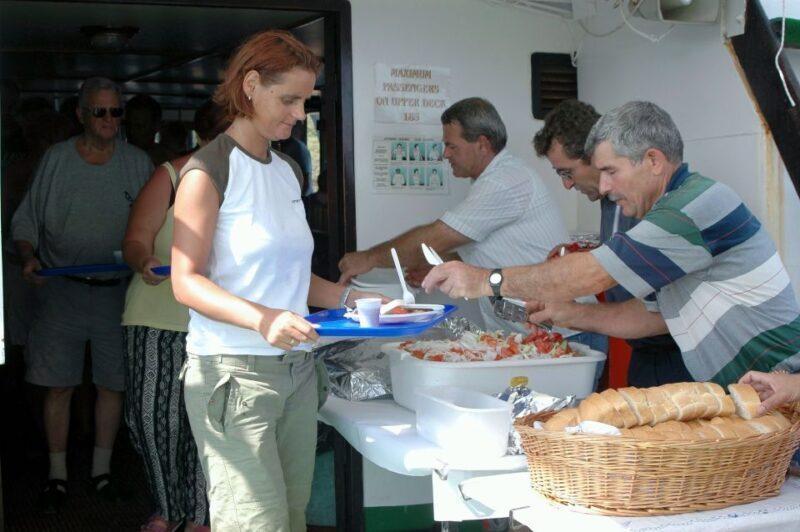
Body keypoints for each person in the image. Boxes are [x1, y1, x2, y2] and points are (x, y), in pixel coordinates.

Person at [422, 101, 800, 385]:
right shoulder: (668, 211)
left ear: (652, 161)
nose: (602, 187)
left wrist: (486, 280)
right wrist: (568, 314)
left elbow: (592, 274)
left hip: (780, 384)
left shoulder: (692, 207)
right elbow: (649, 317)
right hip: (747, 390)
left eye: (610, 172)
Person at [171, 30, 384, 531]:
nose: (298, 113)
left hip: (297, 371)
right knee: (256, 524)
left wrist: (356, 301)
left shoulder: (287, 170)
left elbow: (293, 277)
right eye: (288, 99)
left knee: (290, 517)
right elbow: (185, 281)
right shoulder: (207, 171)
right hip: (233, 376)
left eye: (304, 100)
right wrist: (262, 319)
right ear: (250, 85)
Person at [11, 77, 152, 513]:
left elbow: (161, 226)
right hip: (62, 292)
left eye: (116, 112)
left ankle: (102, 472)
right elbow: (26, 222)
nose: (110, 120)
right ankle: (57, 476)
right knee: (58, 387)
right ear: (81, 115)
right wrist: (29, 256)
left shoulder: (138, 163)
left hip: (118, 294)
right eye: (100, 112)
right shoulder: (56, 160)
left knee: (113, 386)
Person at [338, 97, 570, 334]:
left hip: (562, 332)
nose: (445, 154)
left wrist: (367, 259)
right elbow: (488, 244)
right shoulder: (498, 178)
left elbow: (436, 238)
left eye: (452, 146)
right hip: (530, 332)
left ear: (482, 144)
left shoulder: (503, 182)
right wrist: (445, 264)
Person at [121, 99, 228, 532]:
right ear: (203, 139)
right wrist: (143, 260)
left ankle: (202, 517)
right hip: (156, 318)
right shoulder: (169, 176)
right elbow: (135, 239)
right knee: (153, 421)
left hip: (220, 323)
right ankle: (168, 509)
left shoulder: (253, 181)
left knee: (210, 424)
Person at [533, 100, 685, 387]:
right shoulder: (611, 202)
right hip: (642, 349)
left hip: (673, 352)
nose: (567, 185)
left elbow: (629, 275)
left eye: (567, 173)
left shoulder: (661, 205)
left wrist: (495, 281)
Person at [126, 94, 175, 165]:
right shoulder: (114, 158)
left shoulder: (171, 162)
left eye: (139, 126)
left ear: (156, 126)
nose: (132, 131)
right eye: (128, 125)